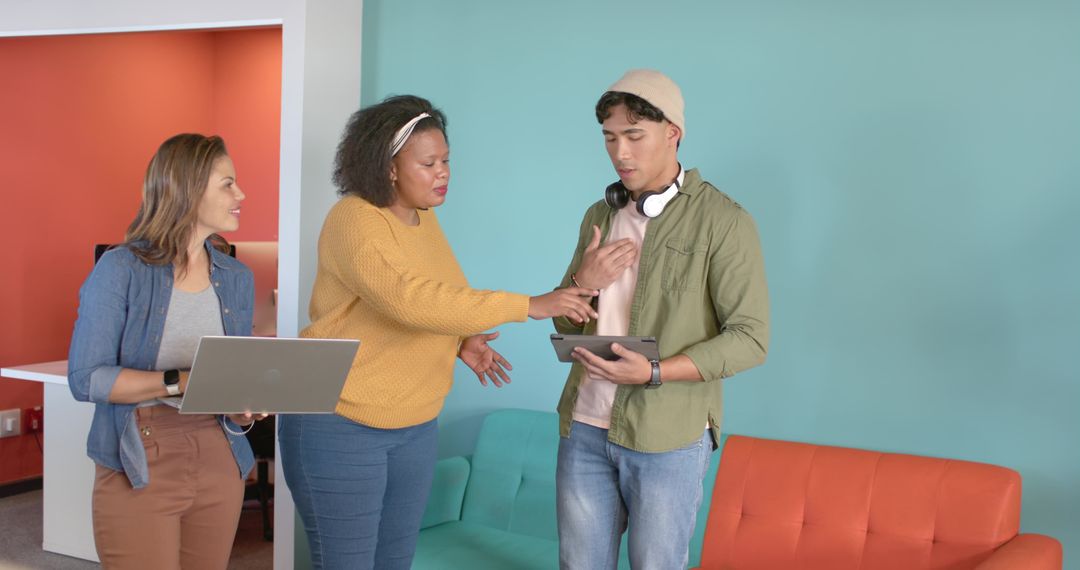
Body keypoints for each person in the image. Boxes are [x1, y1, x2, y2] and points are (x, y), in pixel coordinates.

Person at [278, 94, 598, 570]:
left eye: (446, 160)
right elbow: (406, 297)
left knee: (395, 562)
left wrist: (460, 339)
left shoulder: (423, 220)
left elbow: (440, 294)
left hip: (414, 423)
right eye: (428, 163)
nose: (443, 172)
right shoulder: (354, 219)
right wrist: (528, 305)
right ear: (388, 167)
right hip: (339, 419)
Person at [553, 69, 770, 569]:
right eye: (610, 138)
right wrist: (581, 283)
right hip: (585, 426)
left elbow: (751, 339)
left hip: (668, 435)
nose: (620, 153)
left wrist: (653, 371)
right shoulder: (598, 216)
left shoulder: (724, 222)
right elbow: (567, 326)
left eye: (634, 136)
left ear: (673, 132)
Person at [67, 133, 268, 569]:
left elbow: (230, 372)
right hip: (140, 450)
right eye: (227, 184)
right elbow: (86, 379)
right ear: (188, 188)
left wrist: (241, 404)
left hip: (219, 449)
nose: (241, 194)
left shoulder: (236, 277)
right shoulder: (120, 269)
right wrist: (181, 381)